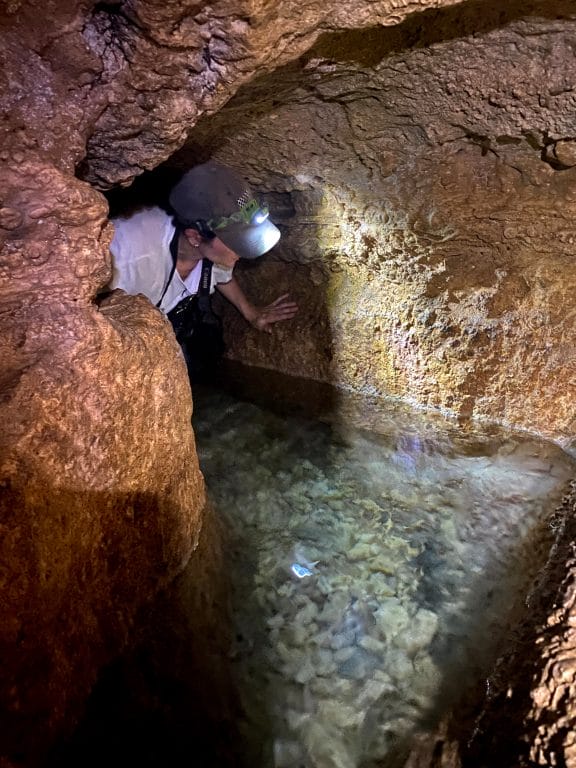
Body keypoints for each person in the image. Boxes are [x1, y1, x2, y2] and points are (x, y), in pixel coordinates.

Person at [108, 161, 298, 376]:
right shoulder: (127, 257)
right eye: (235, 241)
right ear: (194, 236)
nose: (242, 252)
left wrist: (250, 312)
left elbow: (221, 275)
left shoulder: (210, 250)